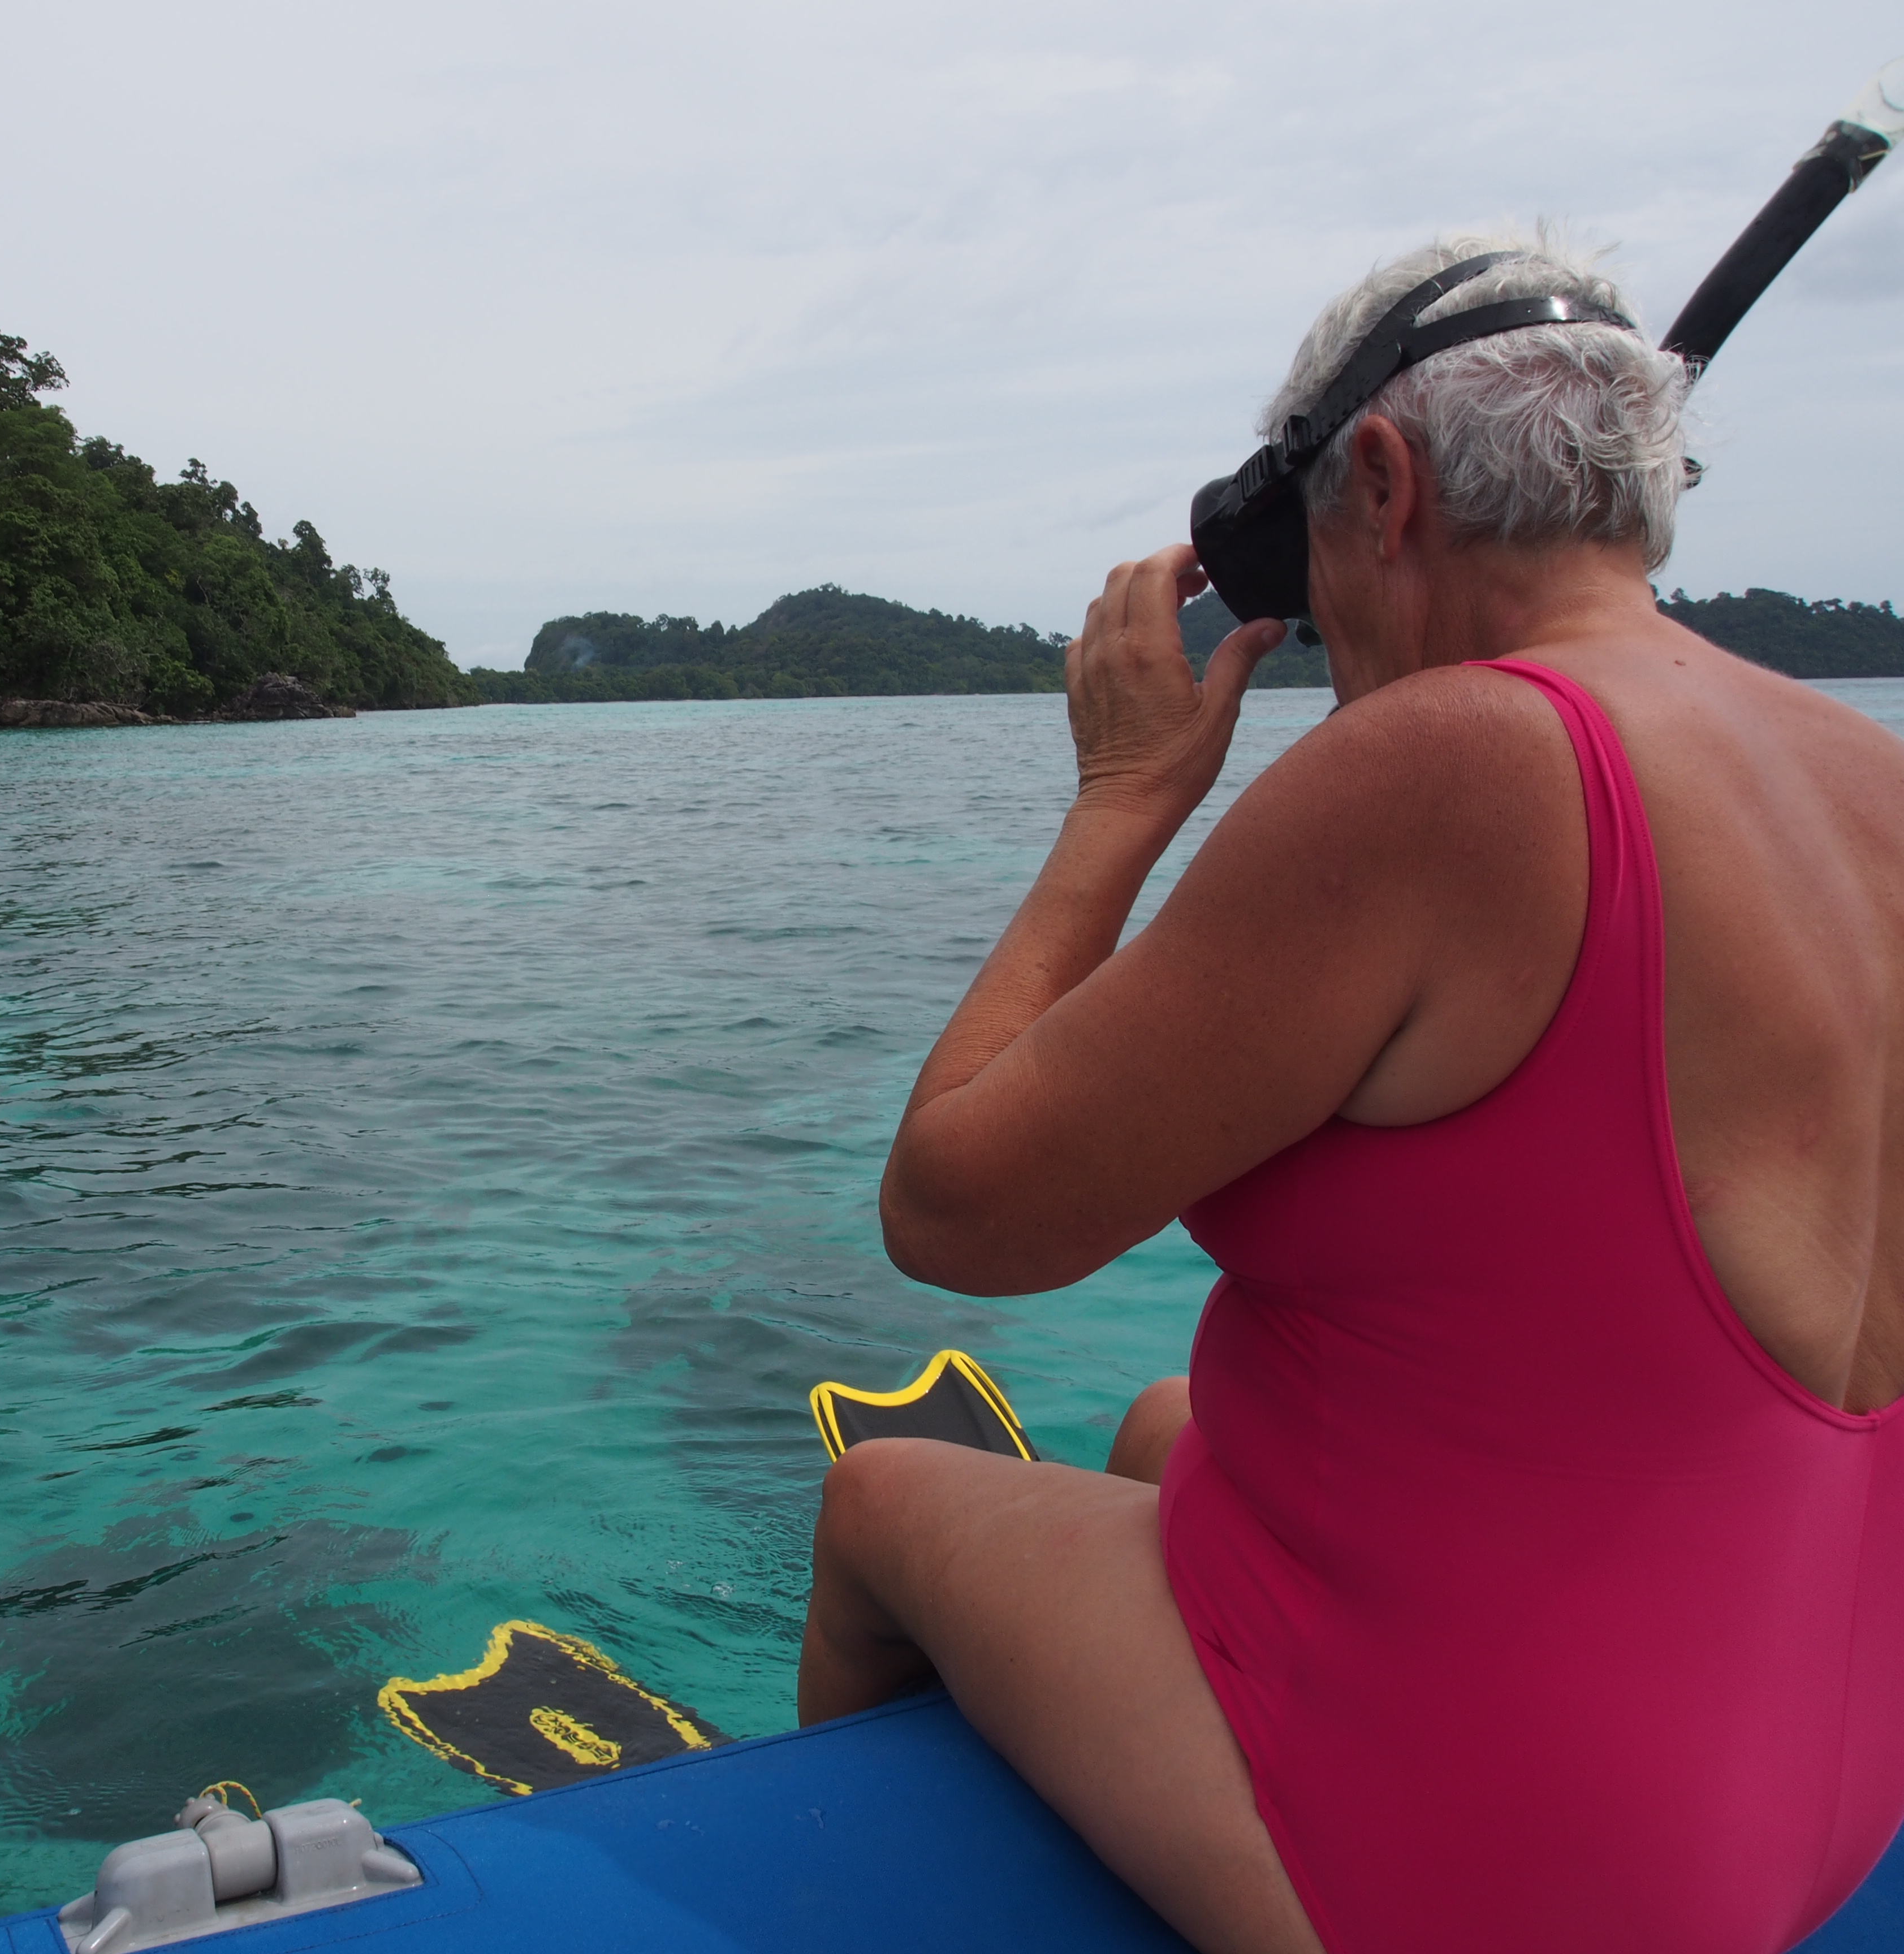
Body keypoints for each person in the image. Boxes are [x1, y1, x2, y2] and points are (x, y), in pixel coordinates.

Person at [798, 233, 1904, 1954]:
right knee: (1163, 1423)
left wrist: (1122, 798)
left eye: (1311, 574)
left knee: (883, 1500)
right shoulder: (1870, 778)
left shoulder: (1461, 758)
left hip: (1516, 1872)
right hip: (1820, 1801)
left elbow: (955, 1214)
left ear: (1382, 483)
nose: (1322, 644)